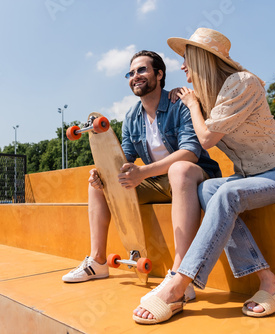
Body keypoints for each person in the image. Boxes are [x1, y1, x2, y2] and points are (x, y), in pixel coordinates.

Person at [133, 28, 275, 325]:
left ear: (204, 58)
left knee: (227, 193)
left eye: (187, 58)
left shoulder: (243, 83)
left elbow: (207, 138)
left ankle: (179, 284)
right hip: (249, 176)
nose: (182, 66)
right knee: (208, 189)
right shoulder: (208, 95)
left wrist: (191, 105)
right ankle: (269, 282)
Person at [62, 50, 221, 303]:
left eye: (142, 70)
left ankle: (181, 274)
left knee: (178, 170)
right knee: (99, 186)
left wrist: (143, 172)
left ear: (159, 74)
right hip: (159, 182)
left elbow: (190, 152)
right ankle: (98, 261)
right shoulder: (130, 117)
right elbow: (122, 160)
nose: (135, 76)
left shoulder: (179, 103)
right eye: (131, 72)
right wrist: (102, 172)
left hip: (194, 176)